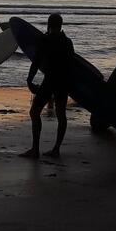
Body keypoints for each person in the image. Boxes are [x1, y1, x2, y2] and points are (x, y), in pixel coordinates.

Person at [22, 13, 74, 159]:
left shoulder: (45, 40)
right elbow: (72, 66)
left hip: (50, 81)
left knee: (34, 112)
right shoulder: (68, 42)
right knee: (61, 115)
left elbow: (36, 61)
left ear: (49, 24)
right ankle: (56, 149)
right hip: (63, 82)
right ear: (61, 25)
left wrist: (29, 80)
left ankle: (35, 149)